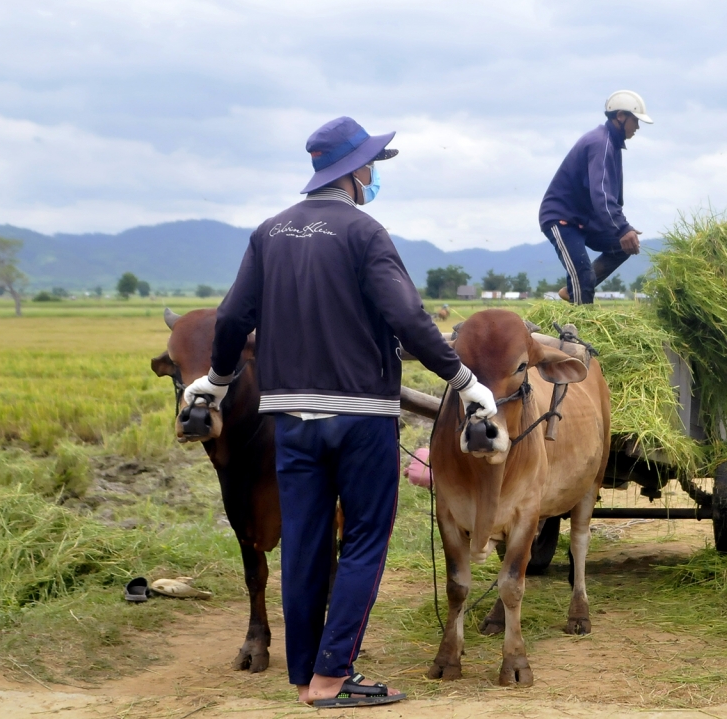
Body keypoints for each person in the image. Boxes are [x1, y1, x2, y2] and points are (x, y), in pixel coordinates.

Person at [182, 117, 497, 707]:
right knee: (363, 541)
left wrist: (219, 380)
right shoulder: (364, 233)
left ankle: (304, 676)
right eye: (372, 165)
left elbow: (230, 321)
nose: (374, 175)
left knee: (303, 541)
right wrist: (463, 378)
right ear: (354, 172)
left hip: (292, 421)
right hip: (360, 419)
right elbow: (407, 319)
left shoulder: (269, 233)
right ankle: (333, 676)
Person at [539, 90, 652, 304]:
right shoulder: (601, 143)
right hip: (563, 219)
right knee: (583, 277)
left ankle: (572, 292)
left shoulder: (612, 143)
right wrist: (622, 227)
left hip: (585, 219)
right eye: (635, 121)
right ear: (620, 116)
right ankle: (583, 325)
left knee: (622, 245)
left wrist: (622, 229)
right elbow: (601, 192)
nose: (637, 127)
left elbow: (610, 197)